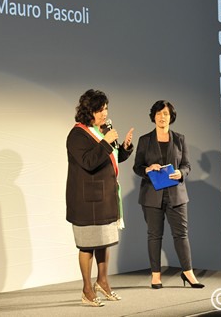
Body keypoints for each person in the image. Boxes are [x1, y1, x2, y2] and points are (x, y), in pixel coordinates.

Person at [66, 89, 134, 307]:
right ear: (89, 111)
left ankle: (102, 282)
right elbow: (88, 162)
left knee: (104, 243)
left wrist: (124, 148)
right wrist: (106, 141)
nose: (104, 113)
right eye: (99, 110)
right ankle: (87, 290)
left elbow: (110, 158)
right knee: (87, 246)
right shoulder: (77, 135)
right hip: (86, 201)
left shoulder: (102, 131)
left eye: (106, 108)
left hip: (105, 197)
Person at [132, 100, 204, 289]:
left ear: (171, 117)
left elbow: (187, 165)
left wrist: (181, 173)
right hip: (151, 194)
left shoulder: (180, 139)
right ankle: (156, 276)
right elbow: (137, 167)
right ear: (153, 116)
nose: (162, 117)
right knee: (154, 235)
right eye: (158, 113)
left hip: (176, 195)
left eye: (165, 113)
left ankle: (188, 273)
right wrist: (148, 169)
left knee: (181, 234)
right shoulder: (144, 140)